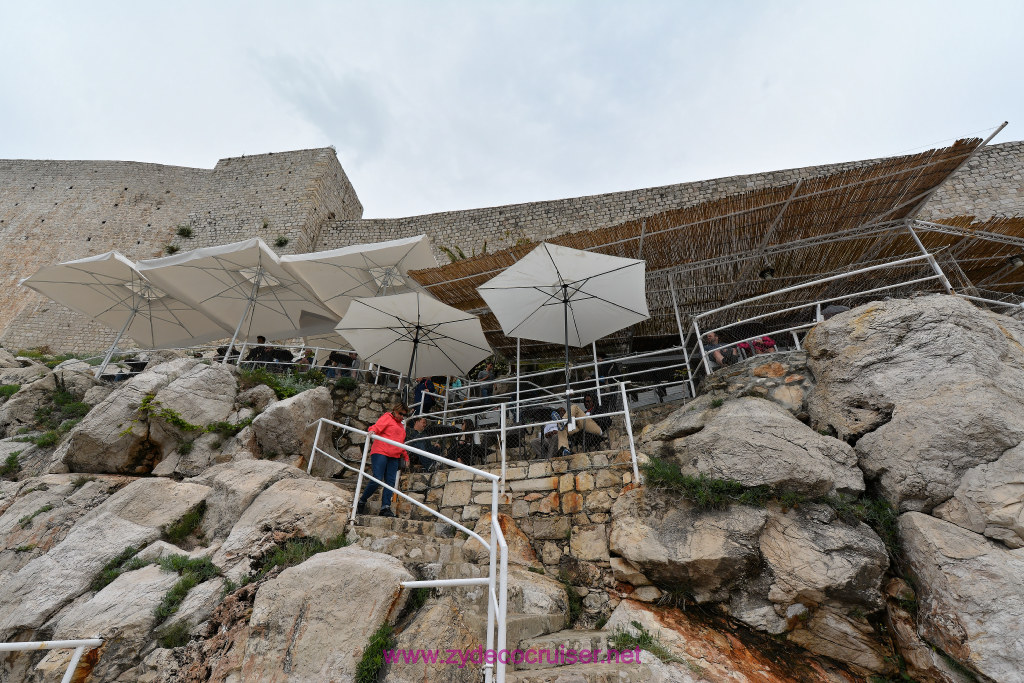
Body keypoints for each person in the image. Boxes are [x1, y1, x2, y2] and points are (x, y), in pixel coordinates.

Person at [356, 403, 410, 518]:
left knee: (390, 482)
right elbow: (377, 426)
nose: (402, 416)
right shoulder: (387, 417)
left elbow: (400, 443)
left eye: (404, 415)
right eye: (400, 413)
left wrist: (405, 456)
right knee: (377, 478)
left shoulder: (401, 425)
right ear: (395, 410)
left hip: (394, 456)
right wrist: (372, 431)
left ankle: (385, 507)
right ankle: (361, 501)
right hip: (381, 451)